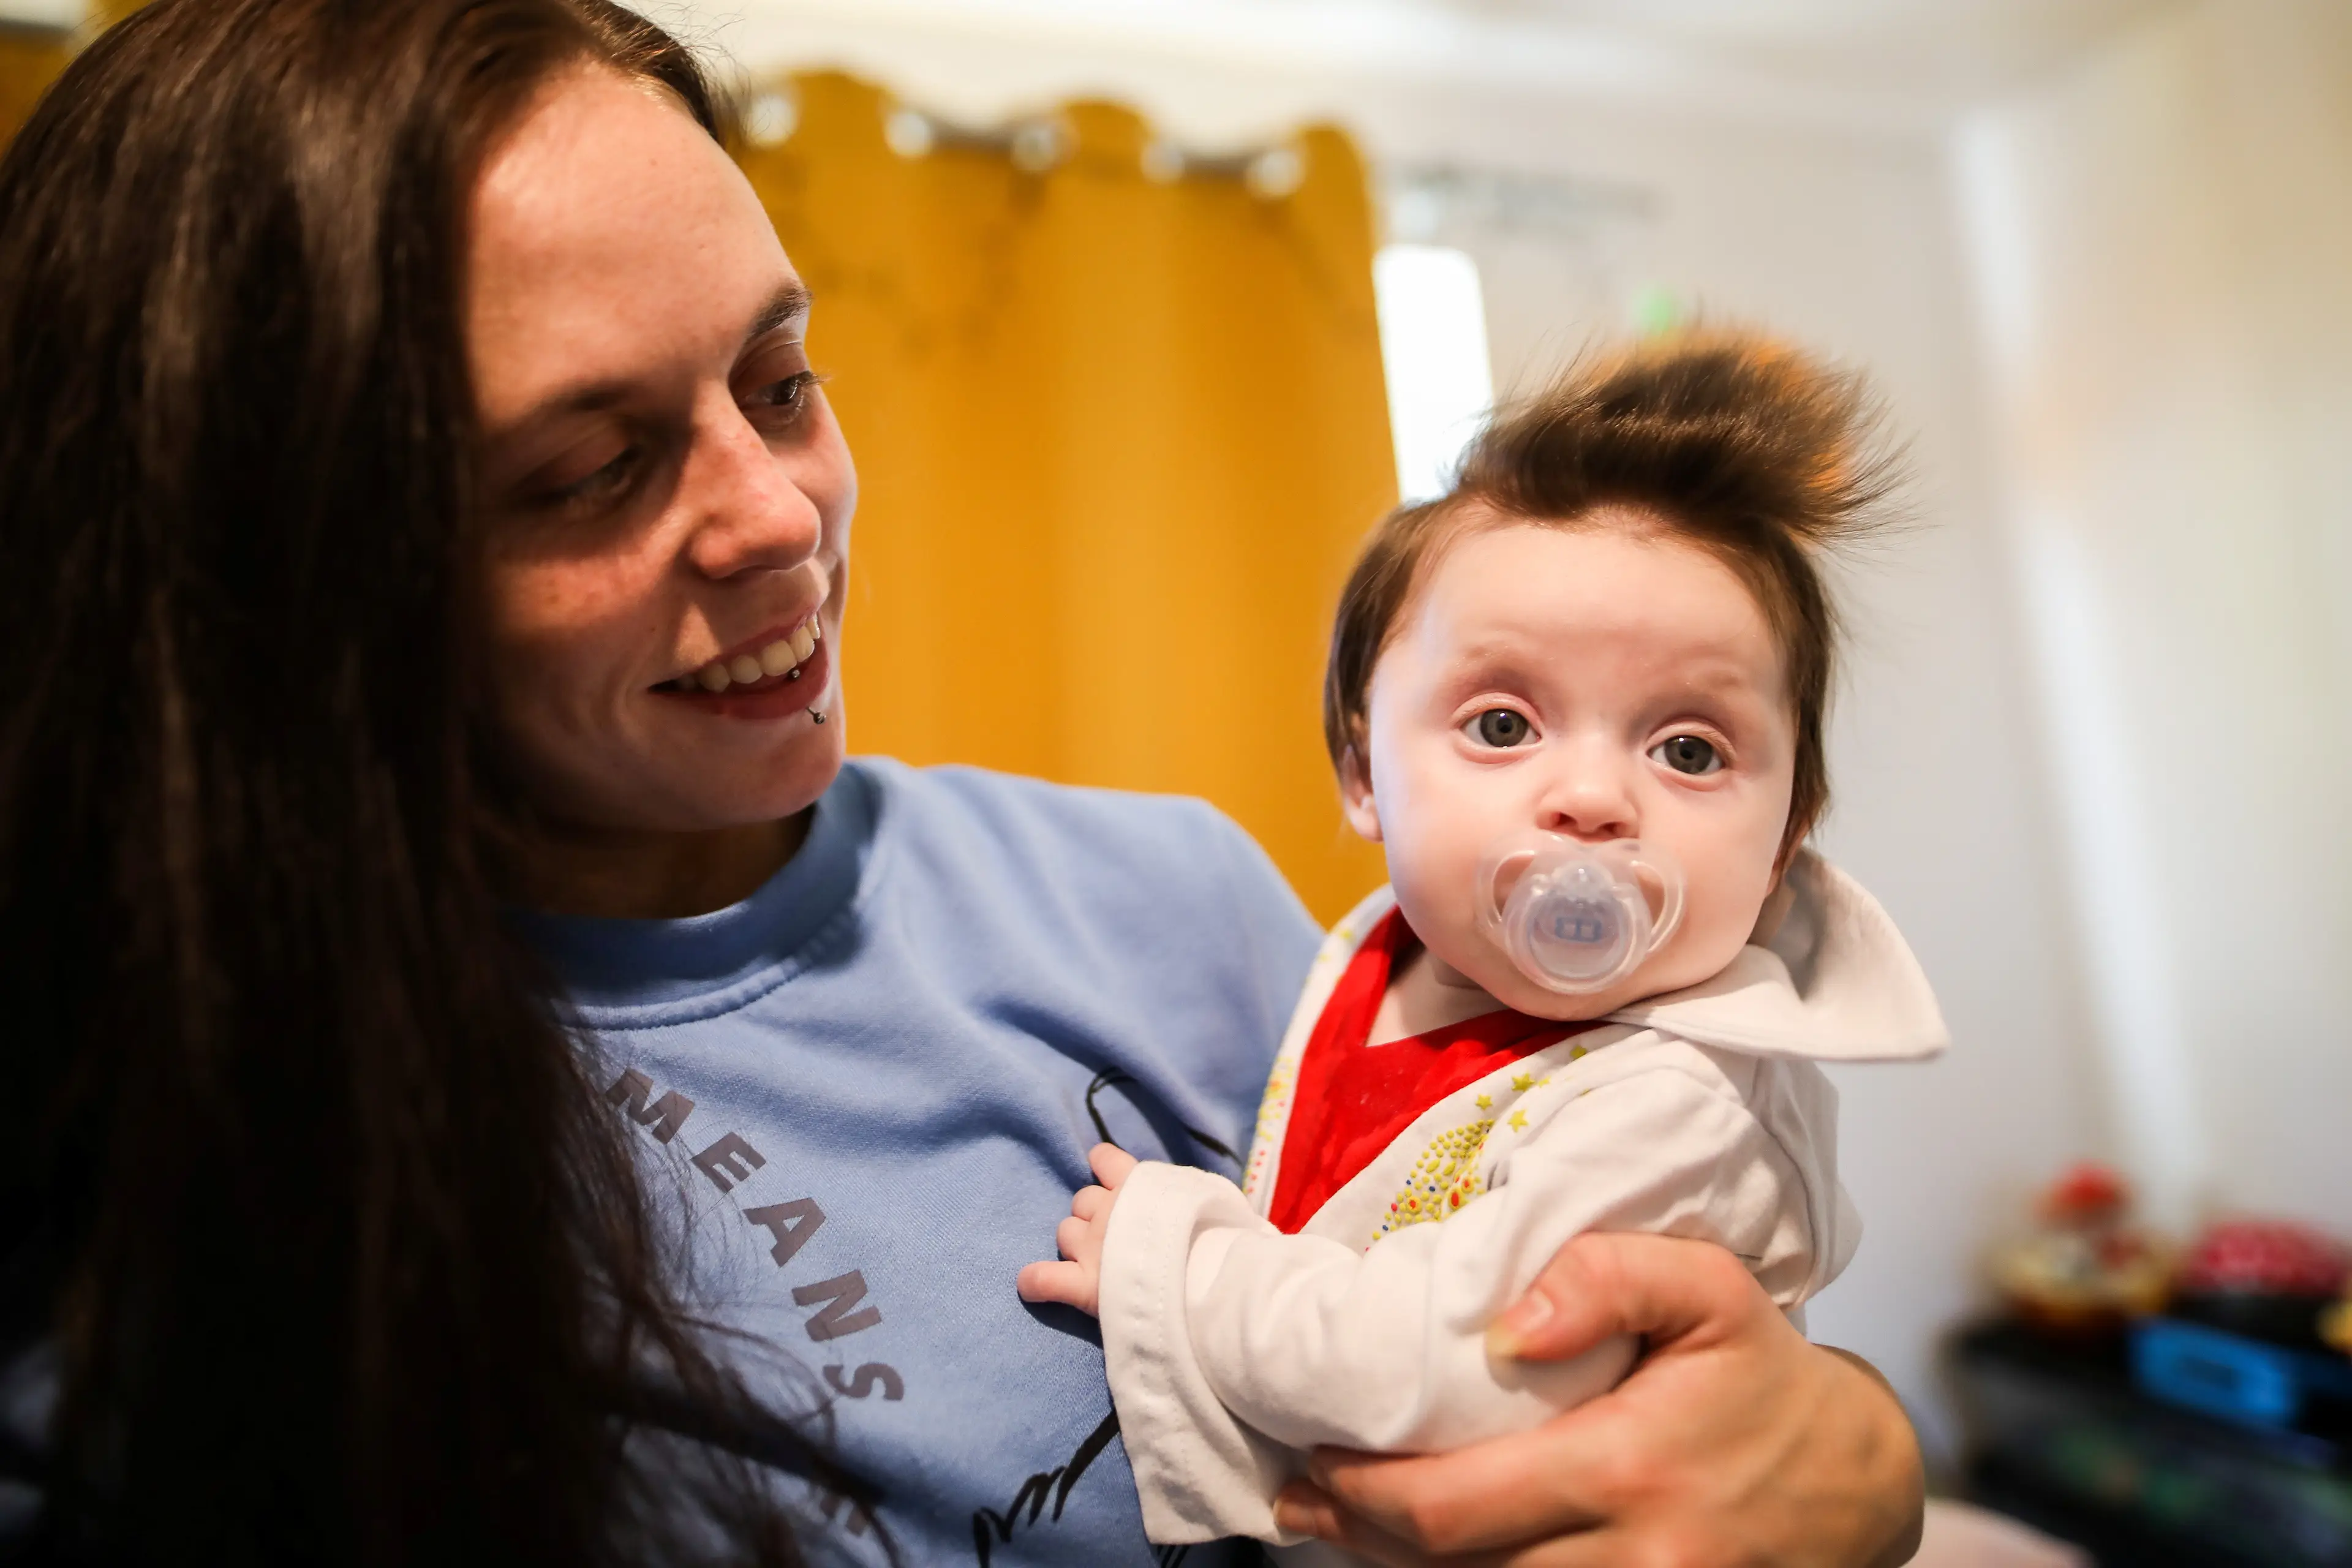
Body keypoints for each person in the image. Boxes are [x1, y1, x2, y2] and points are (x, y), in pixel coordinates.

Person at [0, 1, 1927, 1564]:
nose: (780, 521)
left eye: (779, 381)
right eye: (589, 470)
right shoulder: (156, 1177)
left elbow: (1599, 1332)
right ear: (277, 573)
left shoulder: (1178, 909)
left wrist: (1850, 1453)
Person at [1017, 339, 1947, 1554]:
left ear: (1785, 840)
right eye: (1503, 722)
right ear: (1364, 771)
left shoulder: (1682, 1102)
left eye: (1689, 748)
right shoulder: (1388, 956)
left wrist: (1176, 1261)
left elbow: (1456, 1370)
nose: (1593, 794)